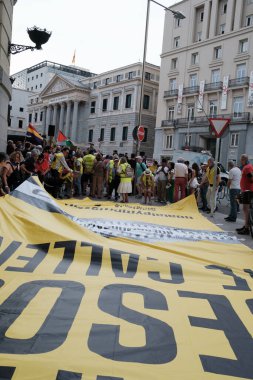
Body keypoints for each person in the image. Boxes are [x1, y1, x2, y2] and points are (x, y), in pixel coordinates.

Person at [236, 154, 253, 235]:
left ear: (244, 160)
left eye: (241, 160)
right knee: (245, 209)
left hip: (248, 191)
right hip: (246, 190)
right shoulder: (247, 167)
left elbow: (251, 178)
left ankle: (246, 228)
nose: (240, 161)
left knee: (245, 209)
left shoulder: (247, 167)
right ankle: (246, 225)